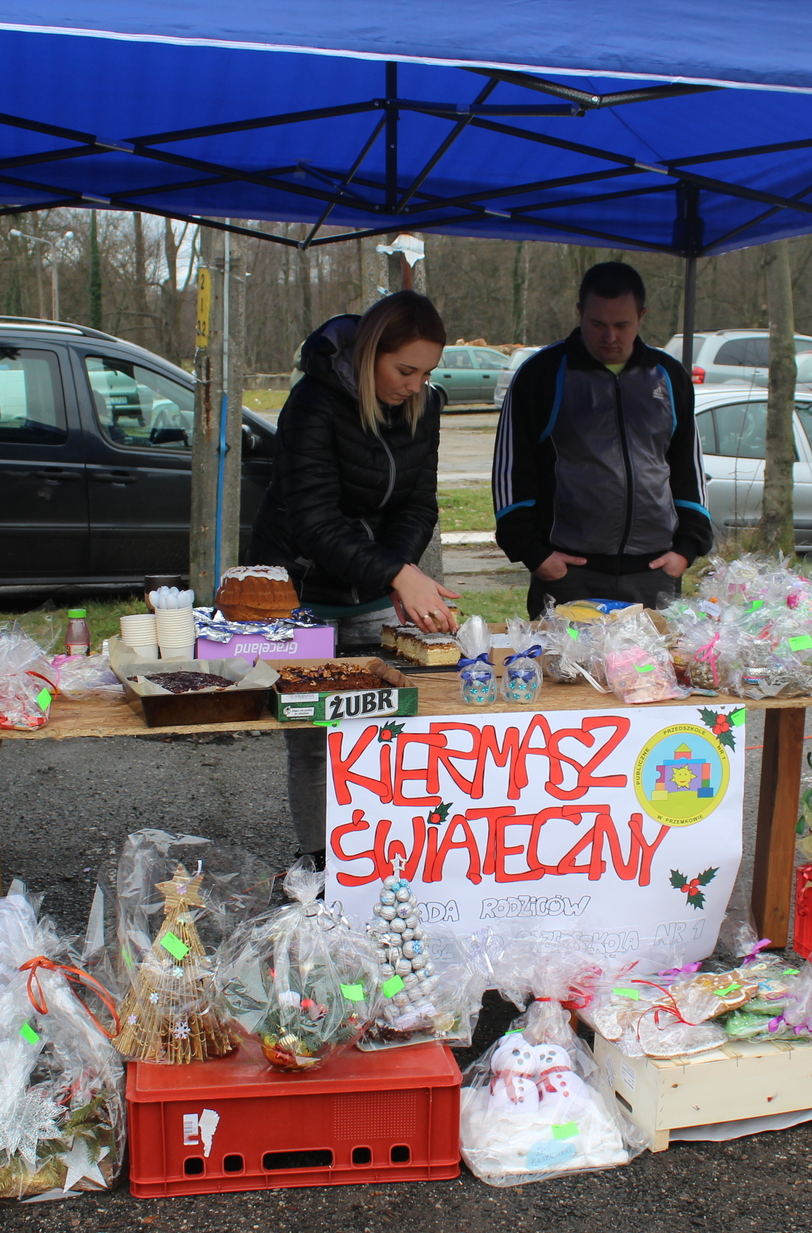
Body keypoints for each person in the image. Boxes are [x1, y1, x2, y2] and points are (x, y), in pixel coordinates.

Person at [247, 290, 459, 859]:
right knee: (315, 742)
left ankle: (382, 856)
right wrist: (397, 574)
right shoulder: (312, 404)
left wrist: (396, 574)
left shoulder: (425, 406)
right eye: (405, 369)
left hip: (374, 593)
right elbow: (314, 521)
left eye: (428, 372)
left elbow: (418, 505)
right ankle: (319, 865)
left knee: (389, 727)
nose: (416, 384)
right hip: (299, 595)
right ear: (369, 355)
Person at [492, 262, 711, 617]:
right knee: (567, 674)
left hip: (654, 573)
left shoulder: (669, 376)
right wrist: (535, 554)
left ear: (641, 316)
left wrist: (686, 550)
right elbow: (511, 474)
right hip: (569, 575)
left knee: (648, 673)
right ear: (580, 314)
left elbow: (688, 468)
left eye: (621, 325)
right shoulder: (541, 375)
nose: (610, 337)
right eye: (597, 324)